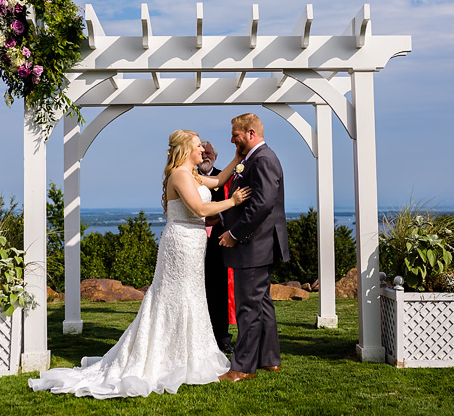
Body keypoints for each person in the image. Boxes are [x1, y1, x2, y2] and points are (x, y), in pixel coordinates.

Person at [29, 129, 251, 399]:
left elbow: (216, 180)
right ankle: (168, 356)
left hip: (193, 244)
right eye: (197, 146)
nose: (202, 151)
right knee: (173, 297)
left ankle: (191, 354)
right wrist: (233, 201)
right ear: (184, 150)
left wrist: (237, 158)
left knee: (192, 297)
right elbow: (200, 210)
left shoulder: (191, 174)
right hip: (180, 243)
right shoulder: (180, 175)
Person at [218, 113, 289, 383]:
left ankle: (243, 367)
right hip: (257, 245)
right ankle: (269, 359)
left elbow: (263, 204)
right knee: (262, 304)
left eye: (235, 134)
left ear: (250, 133)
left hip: (253, 245)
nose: (232, 139)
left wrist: (235, 234)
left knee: (248, 307)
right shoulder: (255, 159)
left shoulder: (263, 159)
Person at [198, 140, 234, 354]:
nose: (205, 157)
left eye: (208, 153)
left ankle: (222, 337)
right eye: (202, 153)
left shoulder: (226, 176)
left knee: (219, 290)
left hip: (218, 241)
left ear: (215, 156)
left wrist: (217, 216)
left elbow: (233, 204)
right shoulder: (188, 176)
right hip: (194, 239)